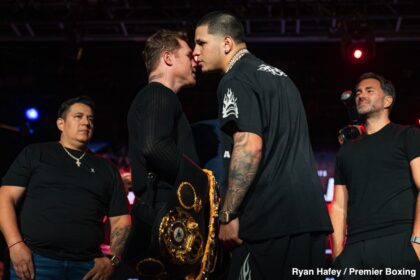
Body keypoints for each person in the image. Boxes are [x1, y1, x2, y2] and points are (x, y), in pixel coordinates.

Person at [193, 11, 332, 279]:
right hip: (308, 221)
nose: (196, 53)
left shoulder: (235, 79)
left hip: (269, 224)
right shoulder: (281, 78)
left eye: (201, 43)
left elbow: (249, 145)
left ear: (226, 43)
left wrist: (228, 214)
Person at [0, 96, 131, 280]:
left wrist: (113, 260)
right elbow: (5, 198)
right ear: (61, 123)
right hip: (36, 262)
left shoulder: (106, 168)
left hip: (88, 268)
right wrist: (15, 245)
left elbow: (121, 220)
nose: (86, 122)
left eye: (90, 119)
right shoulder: (36, 153)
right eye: (78, 116)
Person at [125, 29, 207, 277]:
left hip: (161, 212)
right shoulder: (158, 94)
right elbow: (154, 146)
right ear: (169, 58)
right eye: (188, 54)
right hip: (165, 214)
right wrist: (201, 181)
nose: (195, 60)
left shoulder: (155, 97)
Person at [331, 73, 420, 279]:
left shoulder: (408, 135)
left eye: (369, 91)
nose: (361, 95)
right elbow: (338, 205)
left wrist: (416, 242)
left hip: (398, 240)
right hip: (353, 248)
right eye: (359, 92)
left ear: (387, 100)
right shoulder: (346, 150)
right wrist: (338, 255)